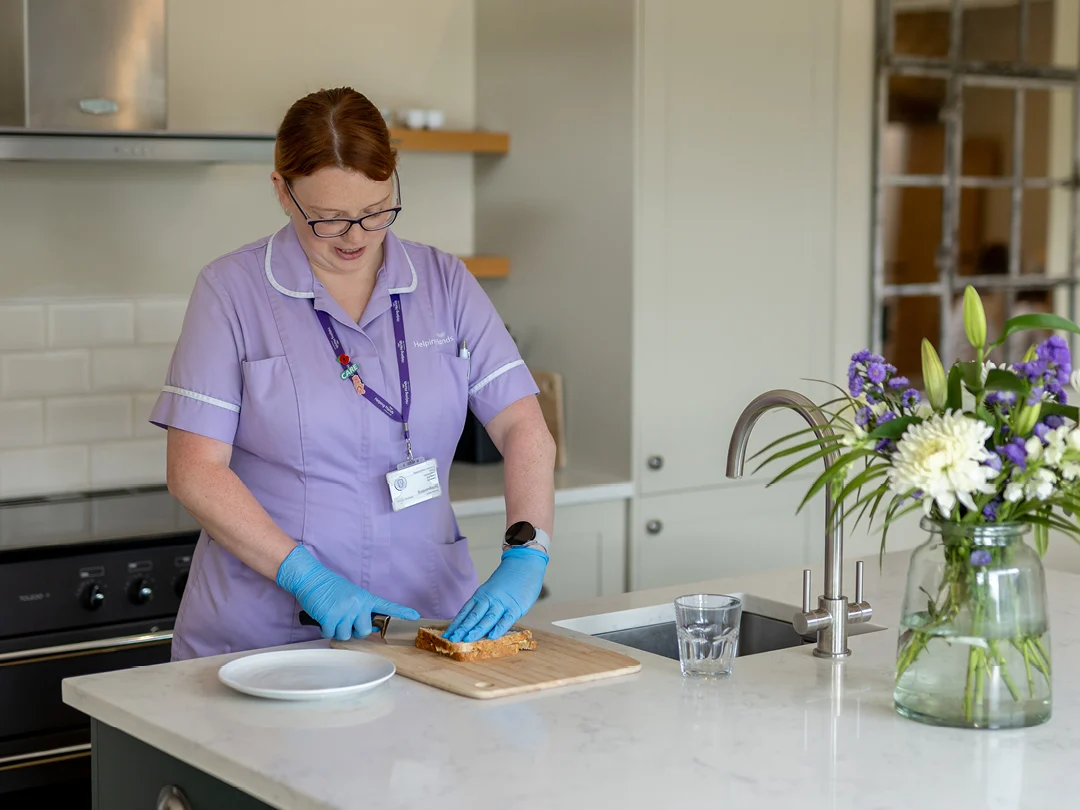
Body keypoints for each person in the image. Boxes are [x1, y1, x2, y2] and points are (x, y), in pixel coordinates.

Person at [151, 87, 556, 660]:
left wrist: (528, 551)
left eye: (375, 211)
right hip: (268, 629)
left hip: (427, 618)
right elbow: (194, 471)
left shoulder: (444, 282)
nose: (357, 237)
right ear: (282, 193)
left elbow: (523, 426)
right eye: (330, 220)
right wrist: (306, 578)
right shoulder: (231, 291)